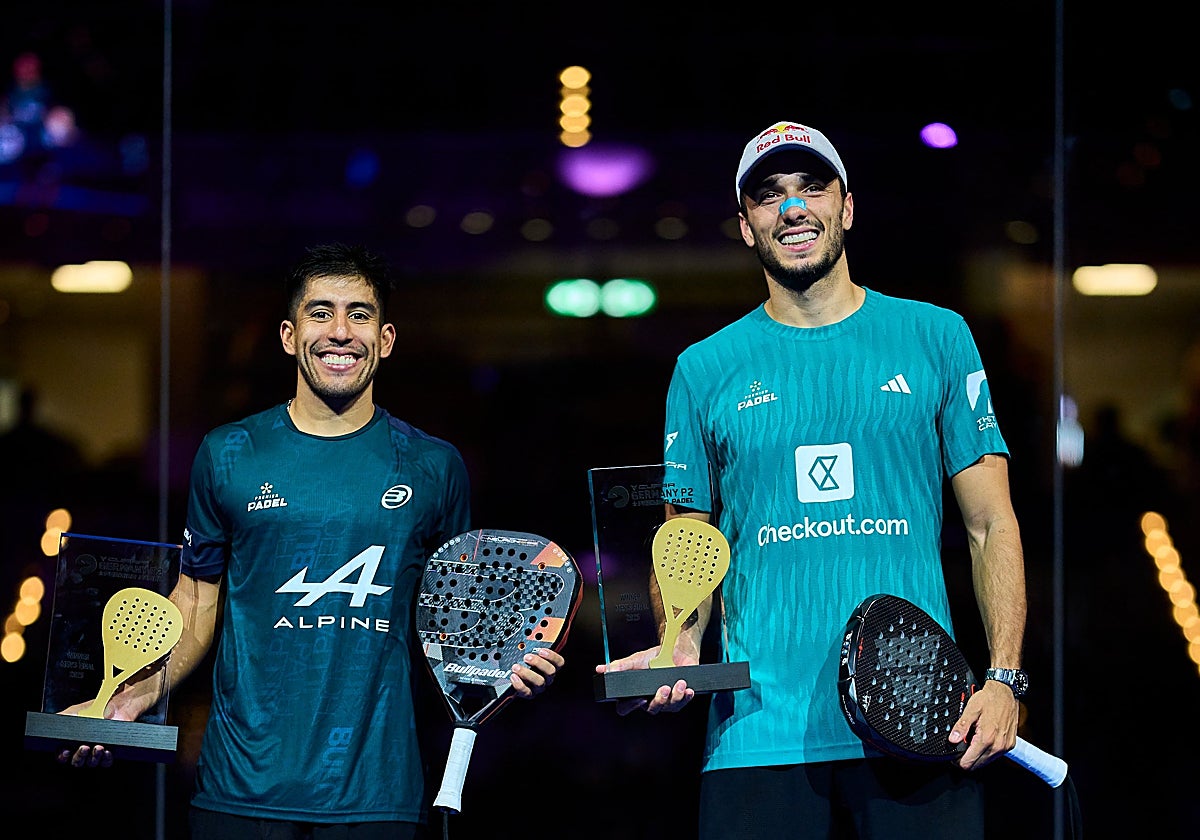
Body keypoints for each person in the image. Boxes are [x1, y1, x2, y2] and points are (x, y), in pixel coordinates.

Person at [595, 121, 1029, 839]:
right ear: (745, 226)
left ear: (847, 207)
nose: (792, 209)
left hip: (921, 718)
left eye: (810, 188)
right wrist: (677, 643)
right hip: (756, 740)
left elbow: (990, 523)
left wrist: (1005, 678)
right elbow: (687, 536)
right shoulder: (704, 368)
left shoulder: (937, 336)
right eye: (768, 196)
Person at [60, 242, 565, 839]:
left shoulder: (435, 467)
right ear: (288, 334)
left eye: (360, 314)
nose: (340, 332)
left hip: (378, 796)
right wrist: (131, 697)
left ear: (386, 338)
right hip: (239, 790)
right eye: (321, 313)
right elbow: (196, 602)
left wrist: (509, 664)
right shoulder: (229, 454)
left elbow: (455, 620)